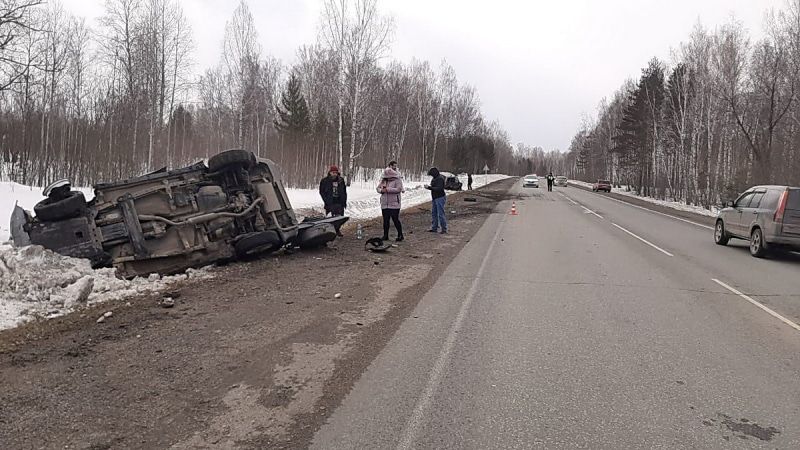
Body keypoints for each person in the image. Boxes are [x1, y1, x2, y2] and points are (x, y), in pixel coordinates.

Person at [377, 167, 404, 242]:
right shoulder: (384, 180)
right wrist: (381, 190)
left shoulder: (397, 180)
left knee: (395, 220)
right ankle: (385, 235)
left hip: (394, 204)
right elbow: (378, 188)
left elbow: (399, 189)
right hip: (385, 204)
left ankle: (400, 234)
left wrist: (388, 189)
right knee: (385, 220)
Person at [319, 166, 347, 235]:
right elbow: (321, 191)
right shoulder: (325, 181)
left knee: (340, 217)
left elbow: (344, 191)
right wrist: (326, 200)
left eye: (336, 173)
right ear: (330, 172)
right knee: (330, 217)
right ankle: (331, 231)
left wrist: (344, 200)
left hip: (339, 201)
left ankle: (337, 229)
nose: (334, 174)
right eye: (333, 172)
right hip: (330, 202)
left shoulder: (341, 180)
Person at [425, 167, 447, 234]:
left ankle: (444, 228)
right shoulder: (435, 178)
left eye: (431, 174)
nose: (431, 176)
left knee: (440, 213)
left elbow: (439, 188)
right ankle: (434, 227)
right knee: (434, 213)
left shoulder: (440, 179)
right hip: (435, 198)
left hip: (440, 197)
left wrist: (429, 187)